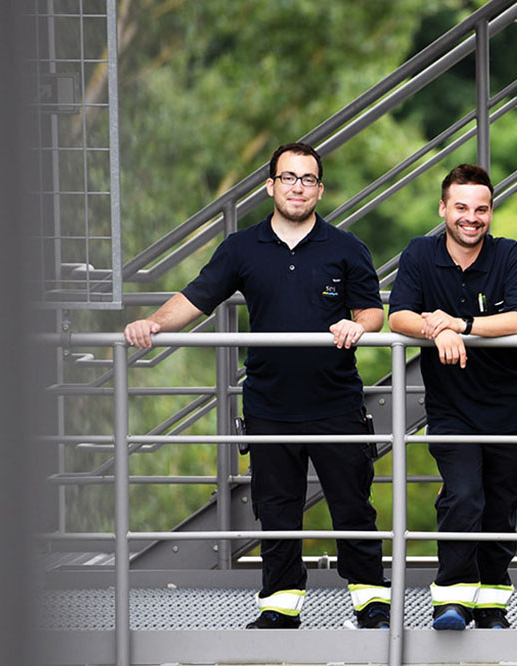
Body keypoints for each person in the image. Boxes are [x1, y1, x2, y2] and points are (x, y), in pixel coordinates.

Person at [123, 142, 390, 630]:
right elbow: (196, 297)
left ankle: (371, 603)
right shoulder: (241, 248)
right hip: (270, 404)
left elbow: (372, 310)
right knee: (276, 507)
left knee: (353, 504)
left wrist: (361, 326)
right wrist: (154, 324)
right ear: (270, 186)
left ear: (320, 190)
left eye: (307, 179)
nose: (297, 187)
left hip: (336, 401)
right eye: (288, 178)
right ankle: (280, 607)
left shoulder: (347, 248)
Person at [388, 164, 517, 631]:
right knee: (463, 497)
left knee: (499, 507)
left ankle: (492, 606)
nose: (471, 217)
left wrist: (459, 325)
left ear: (490, 212)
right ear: (443, 209)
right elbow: (398, 318)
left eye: (481, 209)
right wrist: (434, 328)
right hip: (451, 408)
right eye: (461, 208)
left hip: (509, 407)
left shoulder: (509, 255)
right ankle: (450, 601)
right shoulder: (419, 254)